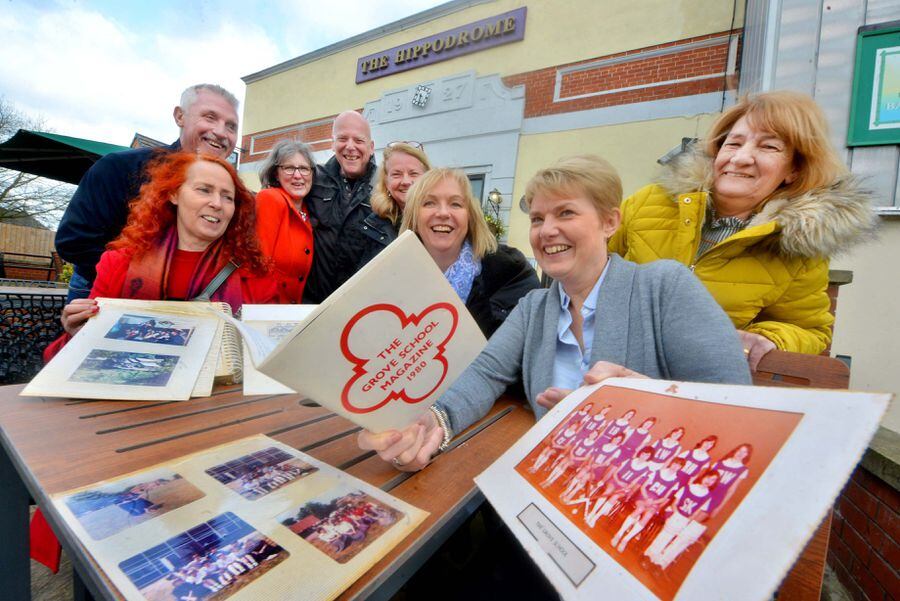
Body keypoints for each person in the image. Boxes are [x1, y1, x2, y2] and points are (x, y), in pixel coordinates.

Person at [358, 155, 751, 472]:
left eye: (565, 213)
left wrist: (641, 403)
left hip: (649, 497)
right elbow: (485, 373)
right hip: (550, 490)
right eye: (538, 218)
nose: (547, 231)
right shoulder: (535, 308)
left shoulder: (664, 286)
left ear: (610, 221)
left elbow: (738, 411)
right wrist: (432, 425)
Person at [609, 91, 876, 369]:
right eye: (733, 143)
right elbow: (592, 270)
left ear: (793, 170)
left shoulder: (798, 246)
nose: (741, 158)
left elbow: (810, 330)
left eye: (769, 147)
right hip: (611, 364)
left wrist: (768, 337)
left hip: (699, 382)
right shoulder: (650, 201)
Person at [44, 152, 274, 360]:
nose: (217, 204)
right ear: (174, 194)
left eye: (228, 197)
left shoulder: (254, 273)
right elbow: (67, 359)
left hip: (220, 401)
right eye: (204, 190)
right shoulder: (118, 264)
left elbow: (267, 355)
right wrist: (76, 333)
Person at [56, 84, 240, 302]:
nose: (221, 132)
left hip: (195, 300)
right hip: (103, 295)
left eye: (231, 126)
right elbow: (74, 241)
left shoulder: (237, 193)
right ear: (180, 116)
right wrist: (138, 280)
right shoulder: (120, 168)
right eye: (210, 117)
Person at [399, 168, 540, 338]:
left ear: (470, 216)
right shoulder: (391, 276)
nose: (443, 213)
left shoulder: (511, 272)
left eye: (456, 204)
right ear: (414, 216)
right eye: (429, 203)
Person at [302, 110, 380, 303]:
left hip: (361, 307)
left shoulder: (385, 186)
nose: (350, 147)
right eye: (343, 138)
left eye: (359, 141)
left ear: (371, 147)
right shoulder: (311, 179)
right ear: (333, 144)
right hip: (312, 306)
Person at [255, 139, 316, 303]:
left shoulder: (307, 212)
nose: (298, 175)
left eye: (304, 168)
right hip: (267, 309)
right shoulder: (270, 199)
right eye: (289, 168)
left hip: (290, 311)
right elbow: (258, 265)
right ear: (276, 173)